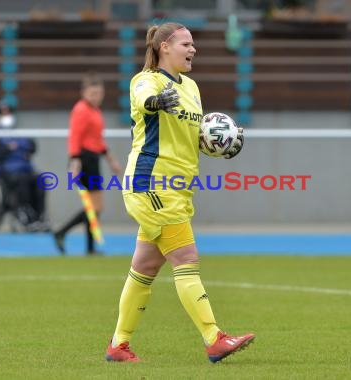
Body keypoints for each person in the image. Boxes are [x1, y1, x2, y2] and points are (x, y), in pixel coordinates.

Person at [105, 22, 252, 364]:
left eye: (193, 44)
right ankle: (215, 339)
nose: (193, 49)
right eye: (186, 43)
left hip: (178, 188)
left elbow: (189, 137)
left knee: (144, 267)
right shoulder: (146, 80)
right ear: (164, 47)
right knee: (186, 259)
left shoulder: (192, 88)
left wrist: (219, 144)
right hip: (152, 184)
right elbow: (145, 101)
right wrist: (156, 101)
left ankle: (118, 345)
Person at [52, 73, 122, 255]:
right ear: (84, 93)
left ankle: (86, 246)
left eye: (99, 93)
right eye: (92, 93)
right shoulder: (81, 109)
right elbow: (75, 137)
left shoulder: (95, 111)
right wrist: (75, 162)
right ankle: (62, 233)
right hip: (84, 160)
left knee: (94, 208)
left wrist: (110, 159)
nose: (96, 97)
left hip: (93, 158)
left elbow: (97, 140)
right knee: (95, 207)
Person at [0, 101, 48, 231]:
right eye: (2, 114)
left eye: (9, 113)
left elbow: (31, 146)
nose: (6, 116)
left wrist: (14, 147)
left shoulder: (19, 133)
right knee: (22, 181)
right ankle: (24, 213)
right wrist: (10, 149)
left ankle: (40, 216)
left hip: (25, 169)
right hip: (6, 171)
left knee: (41, 180)